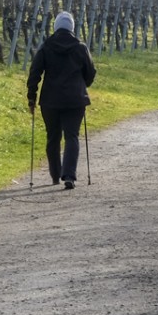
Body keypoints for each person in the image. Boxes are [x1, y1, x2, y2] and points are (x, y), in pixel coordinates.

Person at [26, 11, 97, 189]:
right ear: (72, 28)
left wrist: (31, 97)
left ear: (56, 27)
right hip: (75, 100)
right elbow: (90, 72)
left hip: (50, 100)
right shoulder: (80, 47)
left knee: (53, 137)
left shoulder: (46, 46)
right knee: (72, 136)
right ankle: (69, 176)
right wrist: (82, 85)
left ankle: (55, 175)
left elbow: (35, 73)